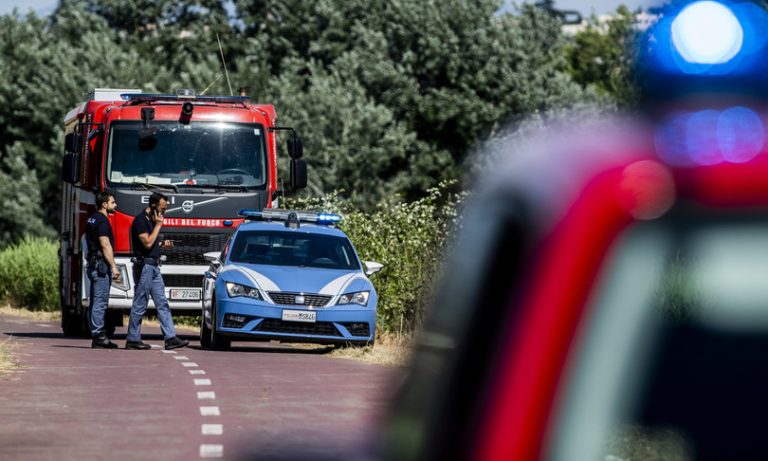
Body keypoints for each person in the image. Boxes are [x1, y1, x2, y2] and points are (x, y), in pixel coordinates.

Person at [125, 191, 189, 350]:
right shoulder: (140, 221)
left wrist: (161, 244)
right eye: (162, 209)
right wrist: (159, 226)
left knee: (162, 303)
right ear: (153, 206)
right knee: (140, 303)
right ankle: (132, 338)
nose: (164, 212)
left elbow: (152, 243)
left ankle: (170, 337)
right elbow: (146, 243)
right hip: (145, 267)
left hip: (154, 266)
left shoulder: (152, 220)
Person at [85, 190, 120, 349]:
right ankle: (99, 336)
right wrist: (113, 266)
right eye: (113, 202)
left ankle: (96, 334)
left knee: (94, 302)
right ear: (104, 204)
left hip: (92, 265)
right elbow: (105, 245)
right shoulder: (103, 222)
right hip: (100, 267)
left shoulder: (91, 219)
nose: (115, 205)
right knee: (100, 302)